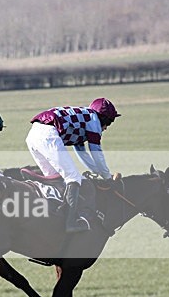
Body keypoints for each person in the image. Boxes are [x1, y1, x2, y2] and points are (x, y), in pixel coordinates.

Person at [25, 98, 121, 233]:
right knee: (73, 177)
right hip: (48, 134)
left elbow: (82, 153)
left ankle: (54, 216)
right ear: (103, 118)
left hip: (33, 135)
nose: (106, 128)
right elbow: (96, 152)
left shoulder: (83, 120)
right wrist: (108, 178)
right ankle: (71, 223)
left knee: (56, 179)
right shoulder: (93, 120)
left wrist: (100, 173)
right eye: (109, 123)